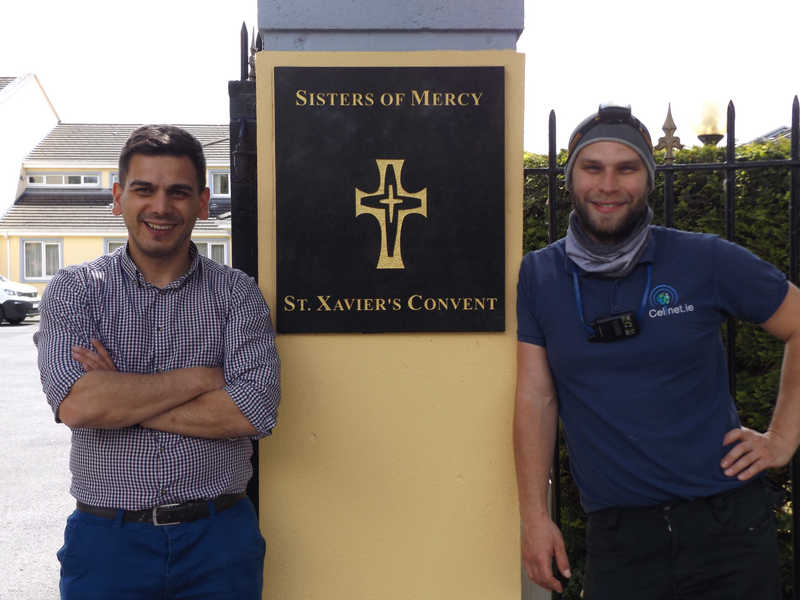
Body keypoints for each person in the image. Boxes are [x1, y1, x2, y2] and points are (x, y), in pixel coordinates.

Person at [513, 105, 800, 599]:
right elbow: (536, 397)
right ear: (570, 177)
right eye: (592, 168)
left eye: (626, 168)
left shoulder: (704, 259)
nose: (608, 185)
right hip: (620, 541)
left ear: (647, 177)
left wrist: (782, 438)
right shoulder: (539, 276)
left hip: (728, 530)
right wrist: (534, 518)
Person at [35, 125, 280, 599]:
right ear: (118, 197)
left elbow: (253, 411)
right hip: (108, 541)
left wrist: (120, 396)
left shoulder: (237, 294)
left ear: (203, 202)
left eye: (179, 192)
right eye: (144, 189)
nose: (161, 207)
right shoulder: (75, 290)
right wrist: (203, 378)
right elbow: (77, 406)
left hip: (219, 540)